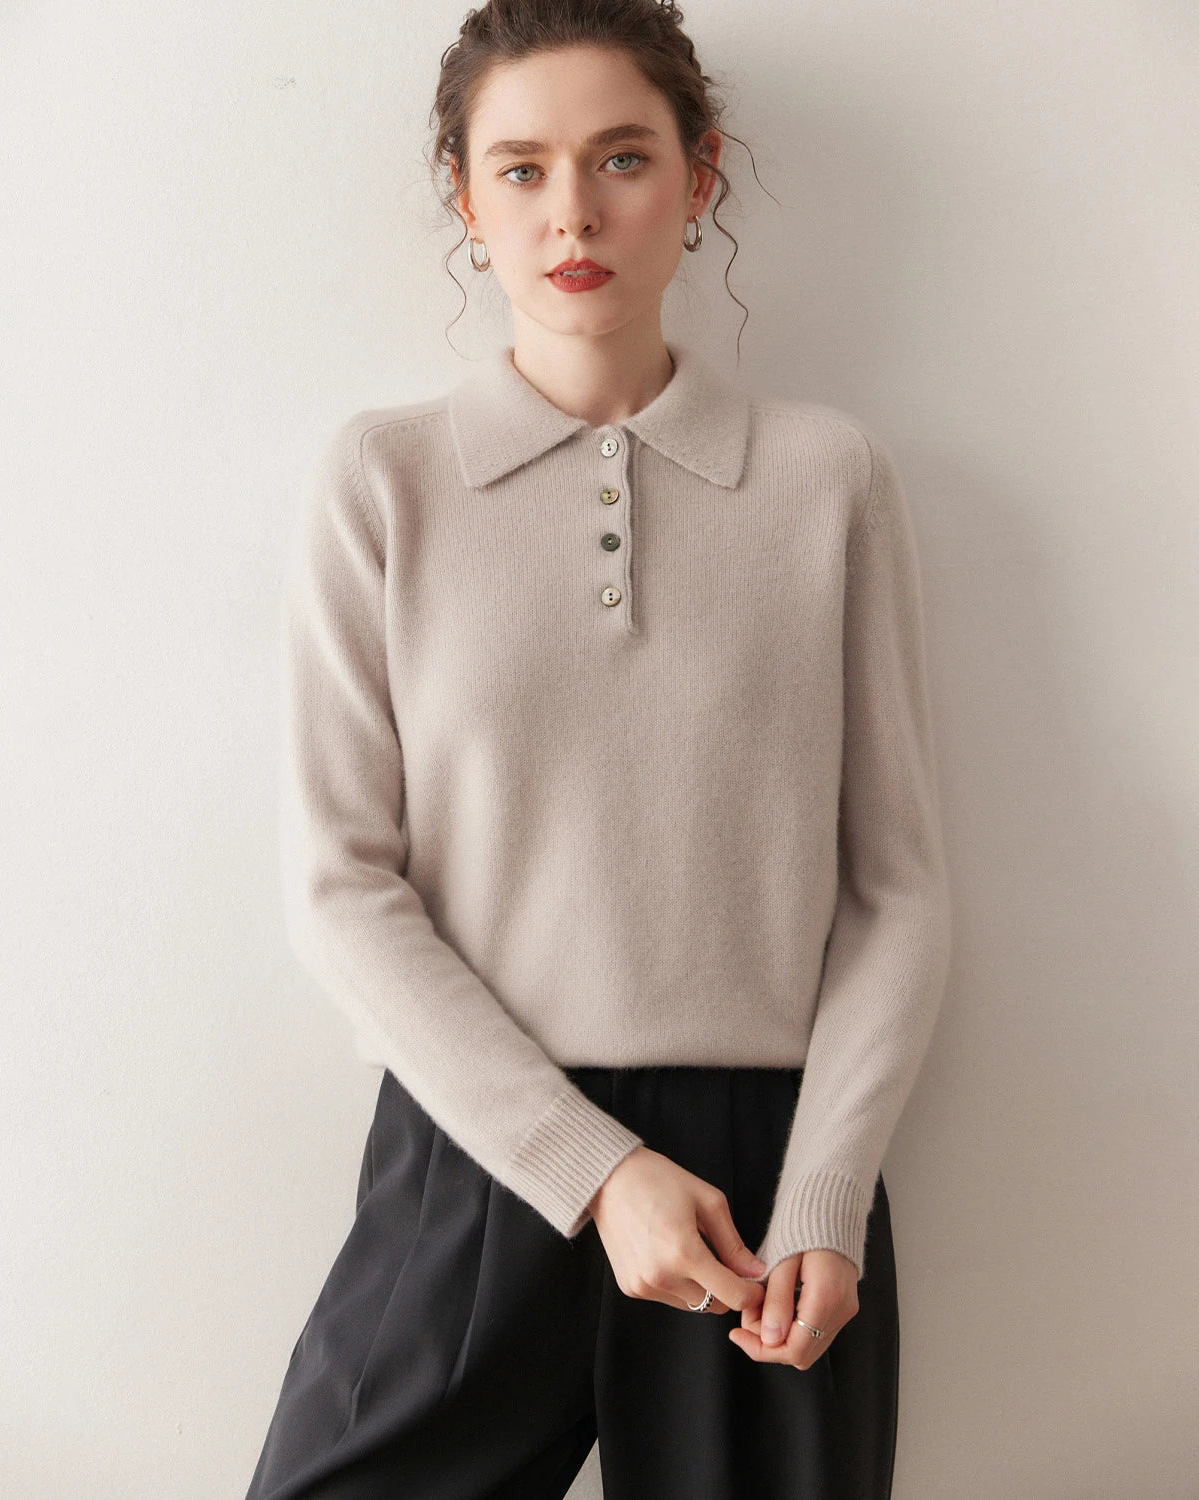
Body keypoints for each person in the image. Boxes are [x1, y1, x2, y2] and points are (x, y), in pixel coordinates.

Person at [244, 1, 952, 1496]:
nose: (571, 212)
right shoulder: (384, 481)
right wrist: (596, 1169)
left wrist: (828, 1193)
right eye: (521, 168)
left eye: (622, 158)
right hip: (480, 1146)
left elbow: (895, 888)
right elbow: (340, 886)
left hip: (772, 1185)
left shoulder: (827, 479)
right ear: (465, 196)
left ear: (700, 177)